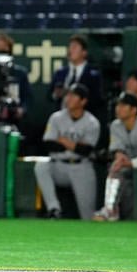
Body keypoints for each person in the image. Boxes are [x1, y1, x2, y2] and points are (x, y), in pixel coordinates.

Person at [33, 84, 100, 220]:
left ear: (83, 101)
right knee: (41, 166)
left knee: (87, 215)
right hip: (59, 166)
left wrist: (63, 140)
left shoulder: (92, 122)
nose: (68, 98)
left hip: (81, 167)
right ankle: (54, 208)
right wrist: (75, 145)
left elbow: (86, 150)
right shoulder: (56, 117)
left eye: (73, 95)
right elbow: (49, 145)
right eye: (67, 95)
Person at [93, 93, 137, 221]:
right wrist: (119, 159)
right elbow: (117, 149)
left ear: (134, 110)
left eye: (123, 105)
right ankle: (110, 210)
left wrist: (126, 163)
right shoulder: (116, 125)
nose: (118, 108)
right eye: (118, 105)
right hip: (130, 167)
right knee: (115, 168)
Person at [49, 35, 105, 115]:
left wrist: (78, 98)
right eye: (69, 47)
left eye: (74, 47)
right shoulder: (60, 72)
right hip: (62, 117)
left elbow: (98, 99)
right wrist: (56, 94)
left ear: (84, 52)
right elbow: (49, 96)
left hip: (84, 117)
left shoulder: (93, 75)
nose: (70, 51)